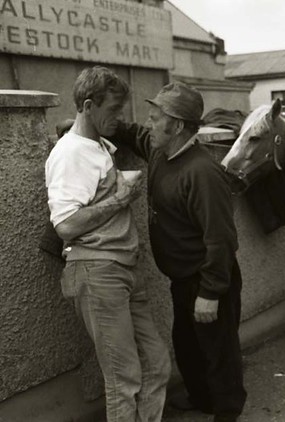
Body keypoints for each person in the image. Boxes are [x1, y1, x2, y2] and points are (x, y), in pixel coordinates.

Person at [107, 82, 246, 422]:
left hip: (209, 277)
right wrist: (100, 122)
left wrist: (211, 293)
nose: (150, 124)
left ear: (178, 126)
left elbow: (222, 238)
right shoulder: (160, 151)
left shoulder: (203, 172)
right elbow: (136, 135)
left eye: (157, 119)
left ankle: (227, 411)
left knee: (219, 351)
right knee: (187, 345)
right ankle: (202, 399)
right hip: (182, 278)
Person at [45, 66, 171, 422]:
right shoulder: (70, 154)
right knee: (123, 378)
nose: (120, 118)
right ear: (88, 105)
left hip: (123, 267)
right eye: (114, 110)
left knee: (157, 362)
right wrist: (121, 199)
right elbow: (66, 225)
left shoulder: (96, 143)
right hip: (97, 270)